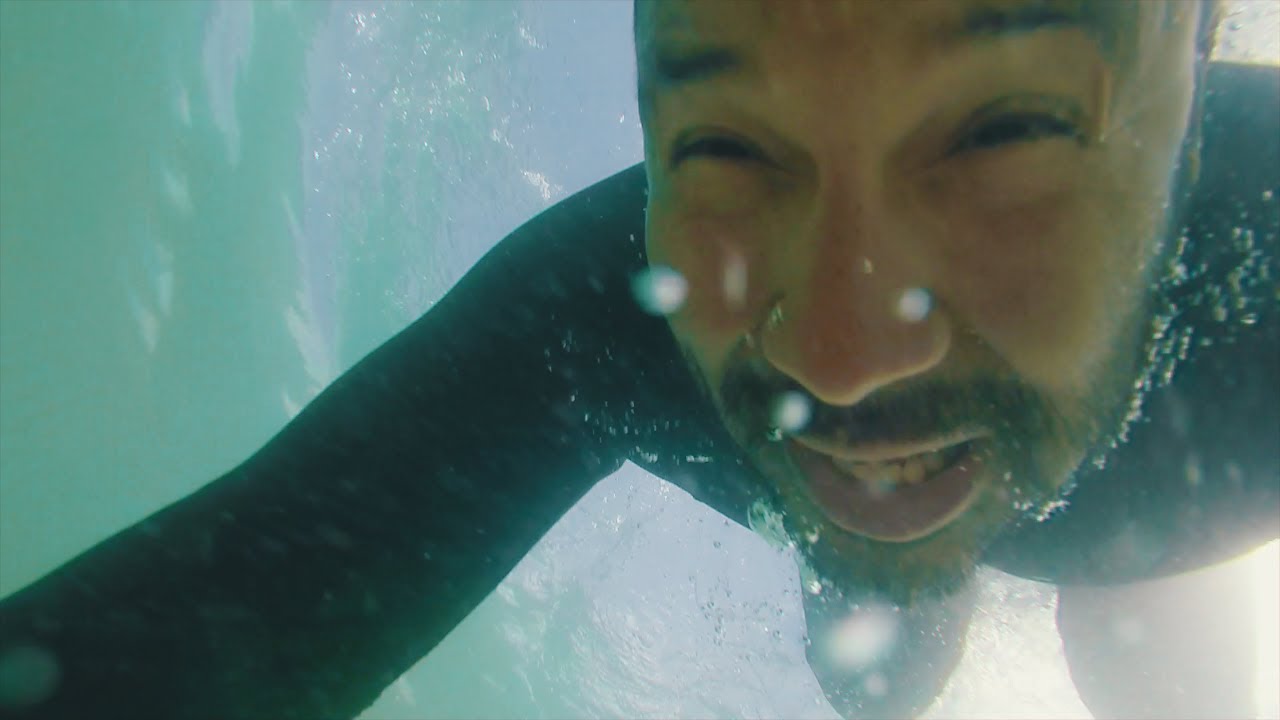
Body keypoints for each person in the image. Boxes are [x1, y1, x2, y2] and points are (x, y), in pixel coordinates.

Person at [0, 1, 1275, 718]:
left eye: (1007, 130)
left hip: (1171, 526)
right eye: (725, 144)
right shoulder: (606, 307)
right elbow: (238, 623)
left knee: (1154, 669)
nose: (836, 364)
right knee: (877, 675)